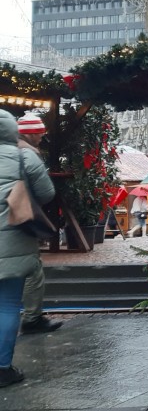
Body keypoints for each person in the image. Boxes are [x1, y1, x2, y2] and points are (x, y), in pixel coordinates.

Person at [0, 109, 56, 387]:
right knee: (8, 305)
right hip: (13, 239)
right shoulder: (24, 156)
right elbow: (46, 193)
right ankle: (2, 368)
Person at [14, 113, 62, 335]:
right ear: (31, 133)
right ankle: (32, 318)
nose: (43, 136)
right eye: (40, 132)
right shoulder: (28, 155)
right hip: (19, 220)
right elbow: (46, 192)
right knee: (32, 269)